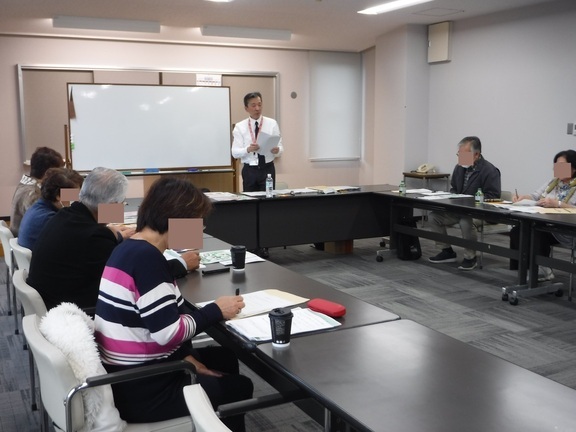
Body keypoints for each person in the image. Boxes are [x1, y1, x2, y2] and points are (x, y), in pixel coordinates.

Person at [94, 177, 253, 431]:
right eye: (198, 223)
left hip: (130, 372)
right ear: (177, 219)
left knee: (224, 358)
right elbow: (167, 332)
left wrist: (185, 356)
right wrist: (216, 310)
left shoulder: (130, 248)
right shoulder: (147, 260)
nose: (200, 231)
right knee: (240, 387)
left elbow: (157, 322)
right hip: (142, 387)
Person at [27, 167, 200, 311]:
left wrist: (112, 234)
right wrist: (182, 264)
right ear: (110, 205)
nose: (122, 208)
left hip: (54, 302)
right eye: (122, 203)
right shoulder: (93, 238)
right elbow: (135, 277)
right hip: (76, 313)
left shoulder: (66, 216)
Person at [428, 136, 501, 270]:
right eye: (459, 154)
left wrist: (471, 200)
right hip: (459, 209)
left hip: (481, 213)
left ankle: (470, 257)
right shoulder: (459, 168)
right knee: (433, 217)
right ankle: (446, 251)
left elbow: (494, 197)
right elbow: (454, 188)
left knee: (466, 221)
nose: (460, 159)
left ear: (476, 154)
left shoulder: (489, 170)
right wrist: (451, 196)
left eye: (464, 155)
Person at [510, 149, 576, 281]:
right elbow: (535, 196)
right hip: (548, 225)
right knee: (518, 230)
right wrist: (523, 197)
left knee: (537, 232)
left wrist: (557, 204)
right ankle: (528, 268)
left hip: (566, 230)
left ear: (573, 168)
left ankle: (542, 268)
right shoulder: (553, 183)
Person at [18, 167, 84, 250]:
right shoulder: (48, 218)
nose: (77, 199)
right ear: (58, 196)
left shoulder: (38, 208)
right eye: (73, 195)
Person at [231, 91, 283, 192]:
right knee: (250, 199)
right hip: (250, 170)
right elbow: (235, 152)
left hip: (268, 168)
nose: (257, 108)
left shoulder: (272, 123)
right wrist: (248, 149)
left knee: (269, 198)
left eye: (259, 105)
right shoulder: (240, 126)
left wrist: (277, 150)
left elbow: (281, 148)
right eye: (253, 105)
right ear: (246, 108)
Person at [10, 146, 64, 236]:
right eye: (59, 172)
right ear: (49, 173)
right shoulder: (34, 194)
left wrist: (76, 195)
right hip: (30, 239)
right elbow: (51, 221)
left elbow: (63, 196)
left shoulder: (26, 183)